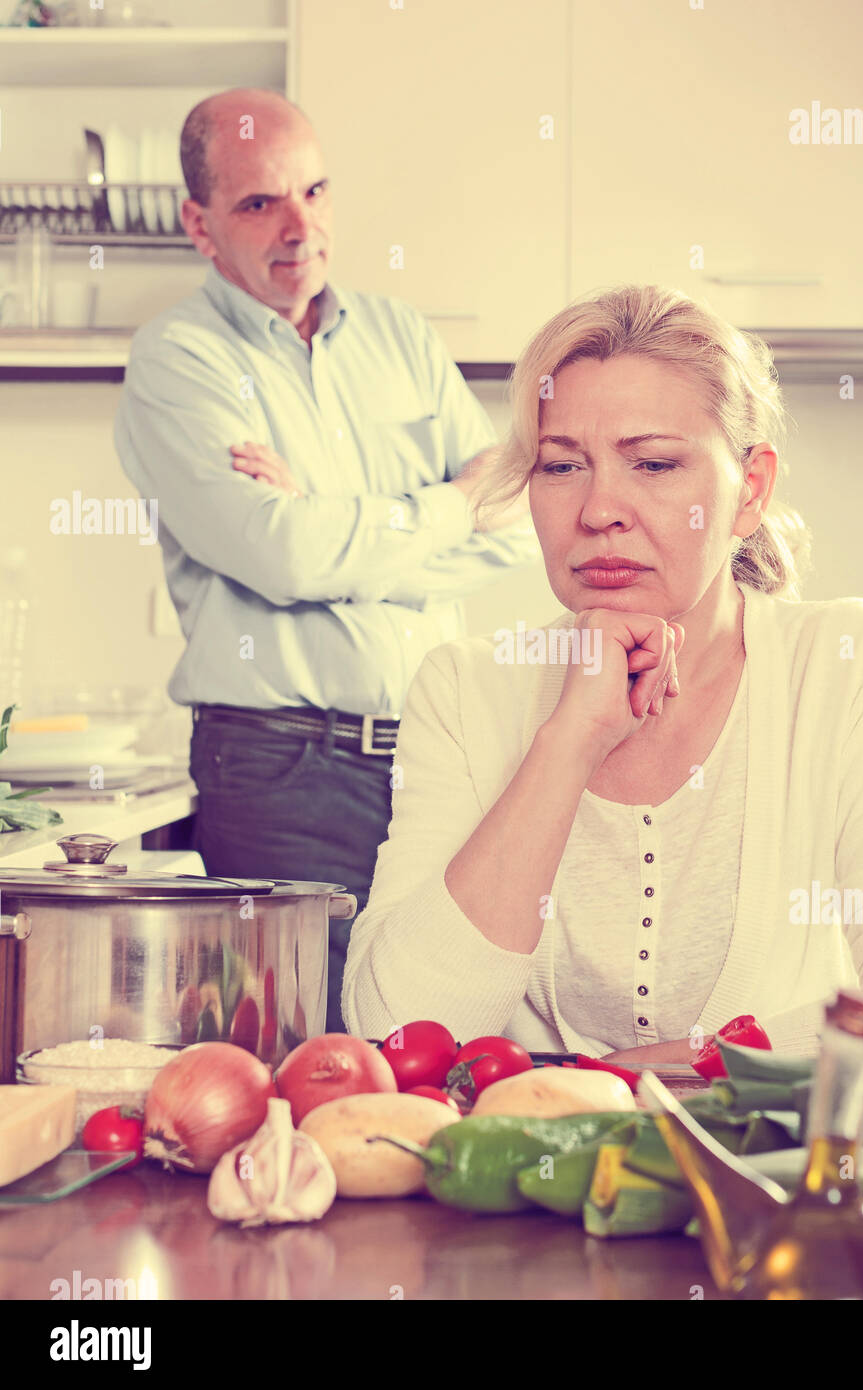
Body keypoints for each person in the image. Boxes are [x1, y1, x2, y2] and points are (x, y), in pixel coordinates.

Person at [341, 283, 863, 1059]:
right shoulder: (464, 688)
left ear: (749, 490)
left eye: (652, 463)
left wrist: (645, 1074)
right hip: (515, 1179)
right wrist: (567, 742)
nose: (599, 509)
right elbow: (396, 1030)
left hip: (769, 1178)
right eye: (560, 466)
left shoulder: (847, 663)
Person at [115, 88, 539, 1032]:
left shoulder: (400, 337)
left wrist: (332, 524)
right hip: (280, 764)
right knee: (292, 1044)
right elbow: (284, 557)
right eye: (259, 203)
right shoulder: (176, 360)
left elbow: (518, 523)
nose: (297, 227)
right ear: (200, 224)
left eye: (313, 191)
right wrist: (447, 504)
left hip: (430, 748)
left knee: (430, 1025)